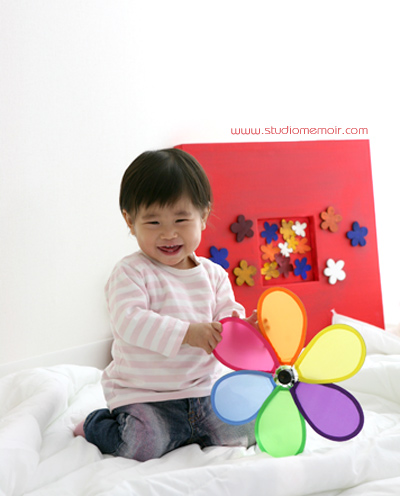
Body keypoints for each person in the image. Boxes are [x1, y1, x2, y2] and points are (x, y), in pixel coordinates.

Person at [74, 148, 257, 461]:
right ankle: (95, 424)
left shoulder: (213, 275)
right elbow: (130, 322)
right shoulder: (130, 272)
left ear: (204, 215)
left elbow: (226, 320)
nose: (169, 233)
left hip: (203, 392)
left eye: (181, 219)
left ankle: (191, 431)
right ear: (130, 221)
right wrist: (188, 333)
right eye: (153, 222)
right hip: (145, 396)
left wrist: (243, 330)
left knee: (246, 431)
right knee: (140, 445)